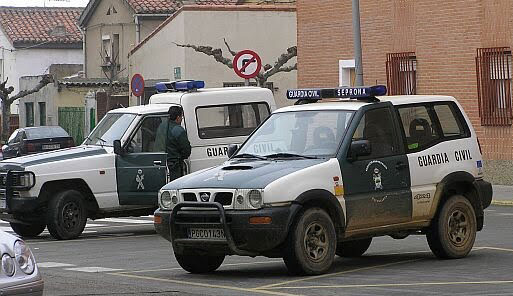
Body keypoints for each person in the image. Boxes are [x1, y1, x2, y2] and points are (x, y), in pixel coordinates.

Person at [154, 106, 191, 181]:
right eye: (181, 117)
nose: (181, 119)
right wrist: (181, 157)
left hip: (160, 163)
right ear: (178, 117)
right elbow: (187, 150)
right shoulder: (178, 130)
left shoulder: (162, 126)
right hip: (174, 167)